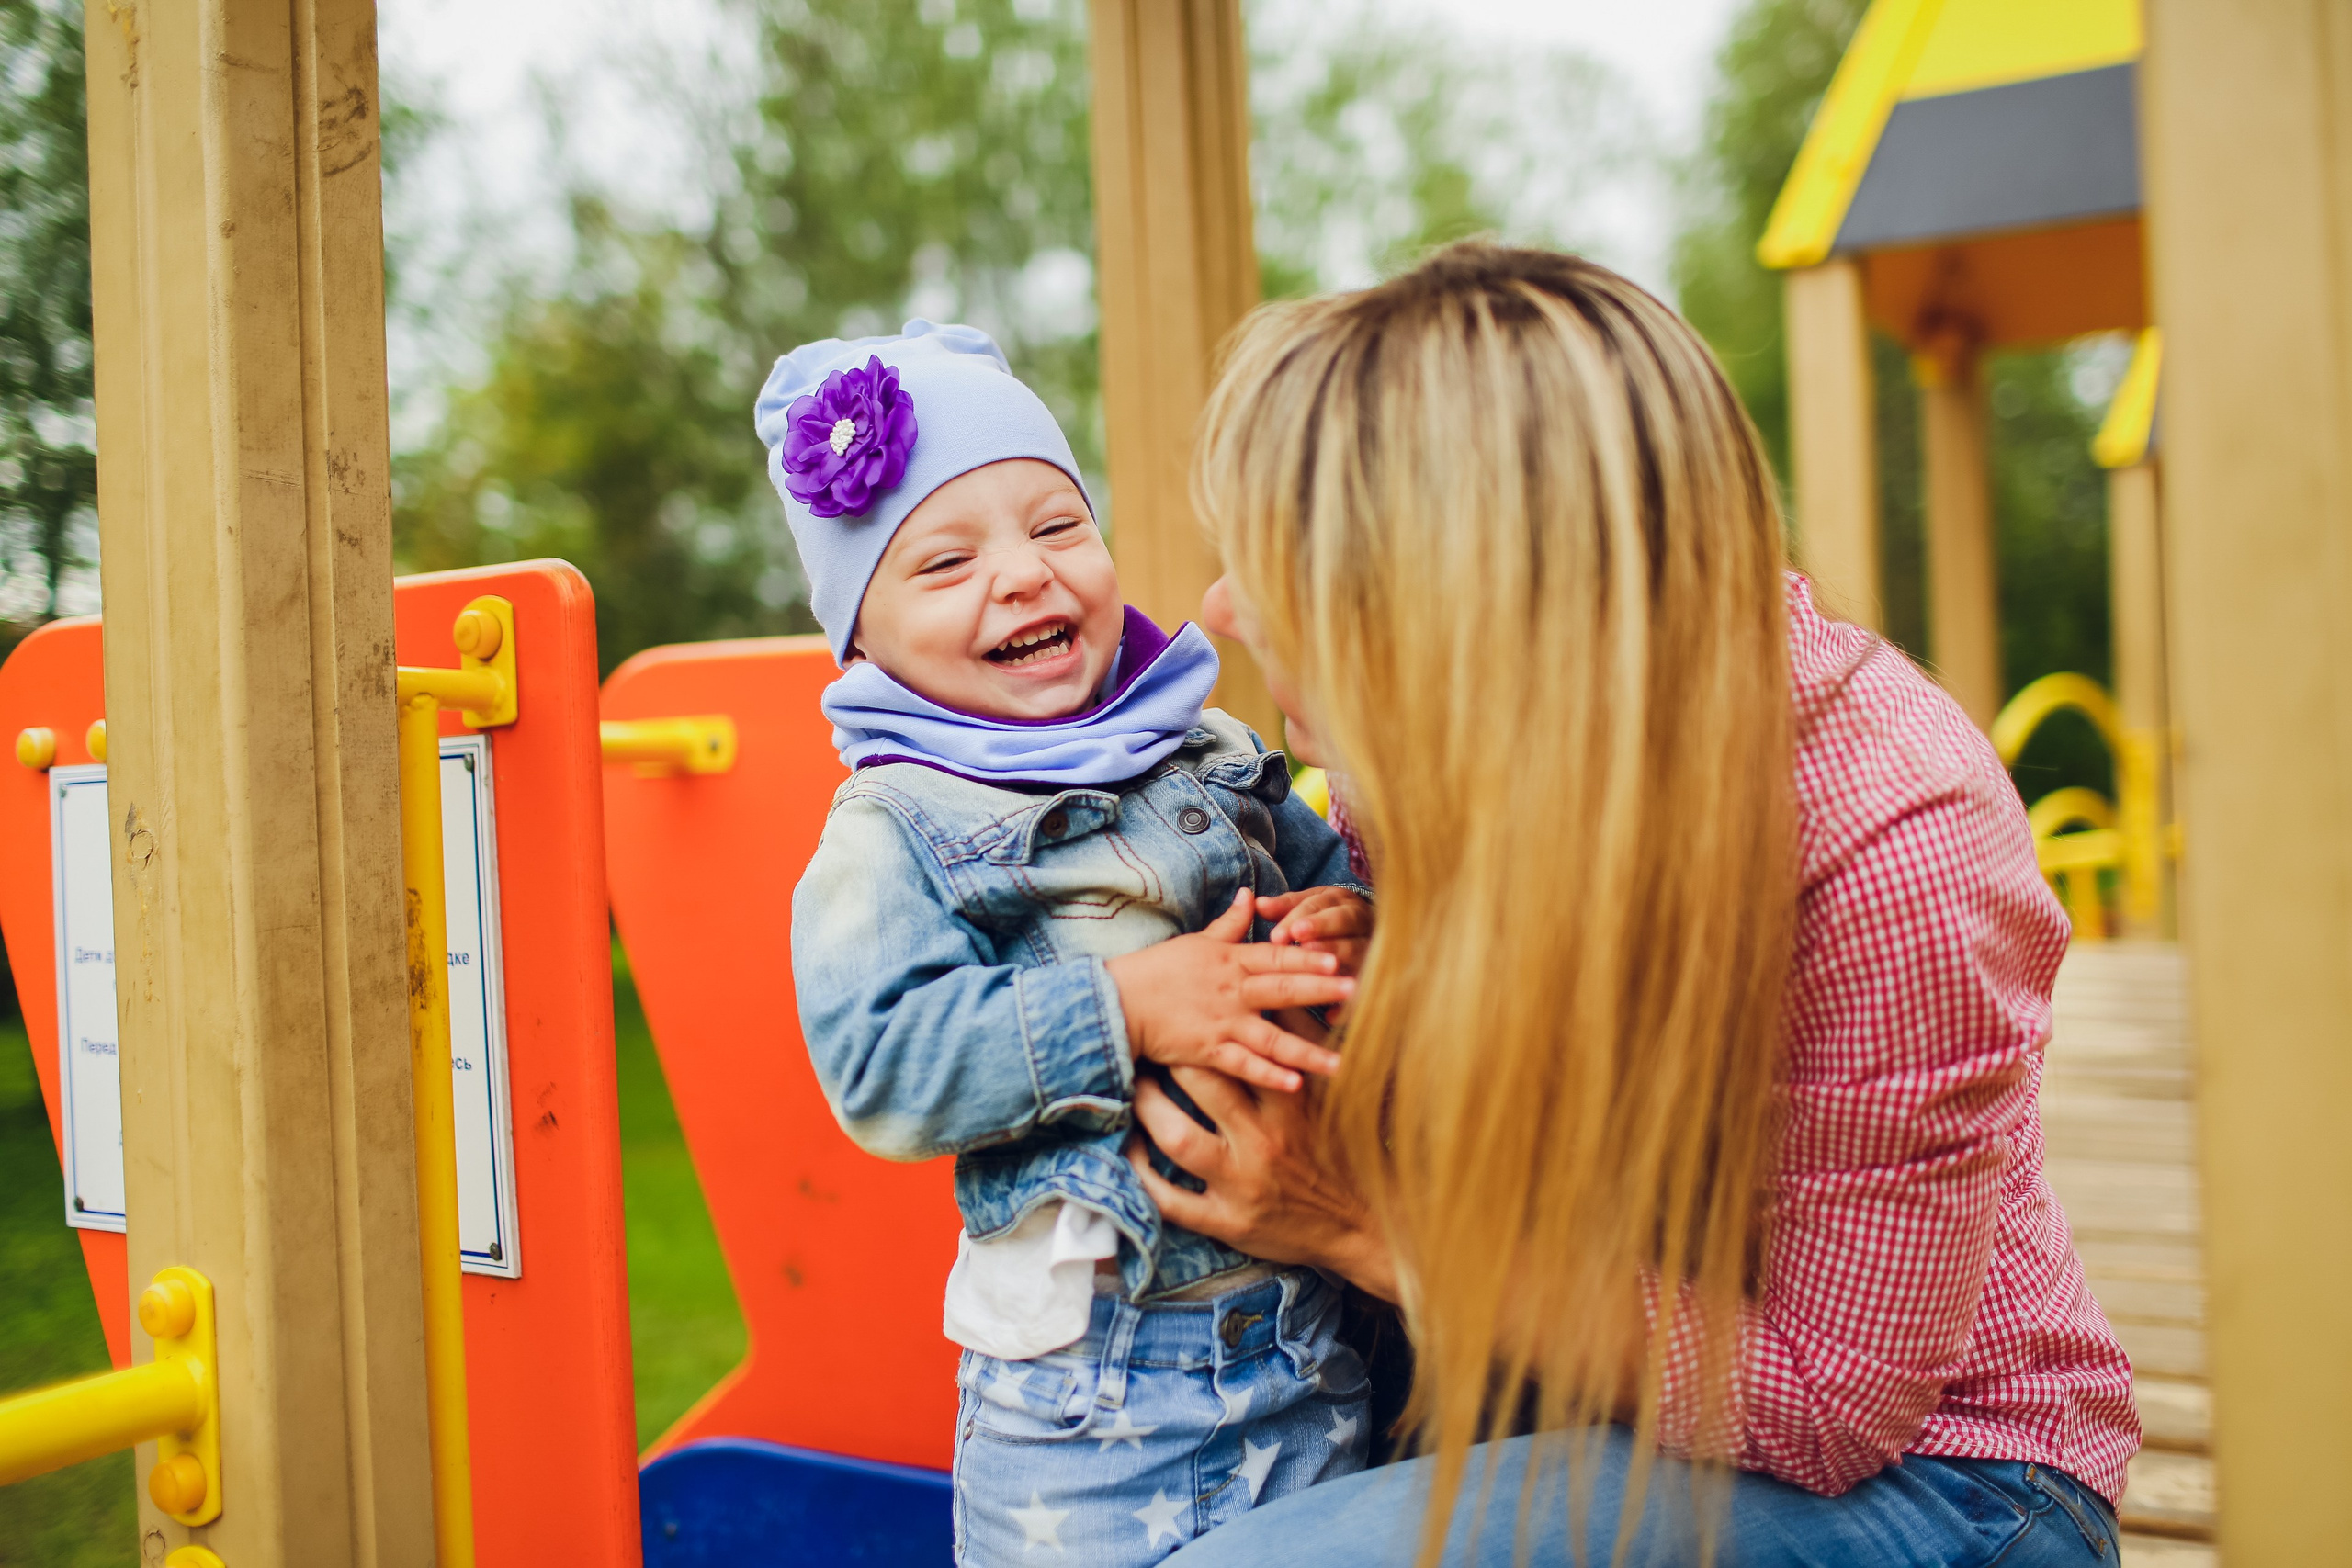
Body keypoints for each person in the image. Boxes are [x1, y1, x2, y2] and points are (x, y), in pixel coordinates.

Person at [1133, 245, 2139, 1565]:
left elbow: (1835, 1405)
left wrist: (1359, 1227)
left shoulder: (1894, 837)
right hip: (1576, 1400)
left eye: (1300, 568)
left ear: (1475, 606)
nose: (1223, 611)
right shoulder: (1446, 752)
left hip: (1948, 1482)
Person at [765, 321, 1378, 1568]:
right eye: (945, 562)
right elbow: (883, 1063)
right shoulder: (898, 829)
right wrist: (1128, 1005)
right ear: (864, 639)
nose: (1024, 575)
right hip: (1093, 1411)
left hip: (1308, 1347)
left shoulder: (1199, 746)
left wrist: (1344, 931)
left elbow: (1317, 897)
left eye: (1057, 526)